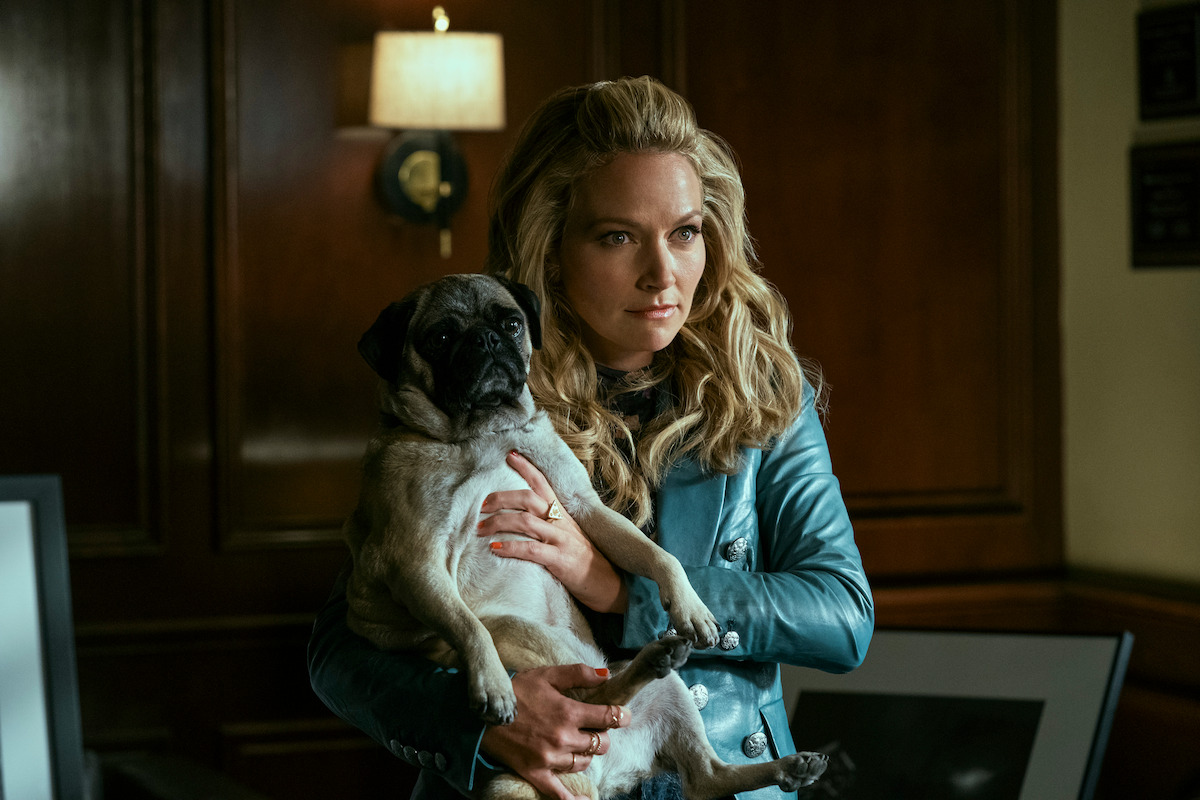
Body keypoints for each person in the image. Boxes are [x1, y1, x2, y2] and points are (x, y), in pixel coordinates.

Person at [308, 75, 874, 800]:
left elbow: (842, 617)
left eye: (685, 233)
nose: (662, 274)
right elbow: (339, 650)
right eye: (618, 237)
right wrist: (480, 724)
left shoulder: (761, 390)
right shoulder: (471, 394)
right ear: (551, 246)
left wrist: (616, 589)